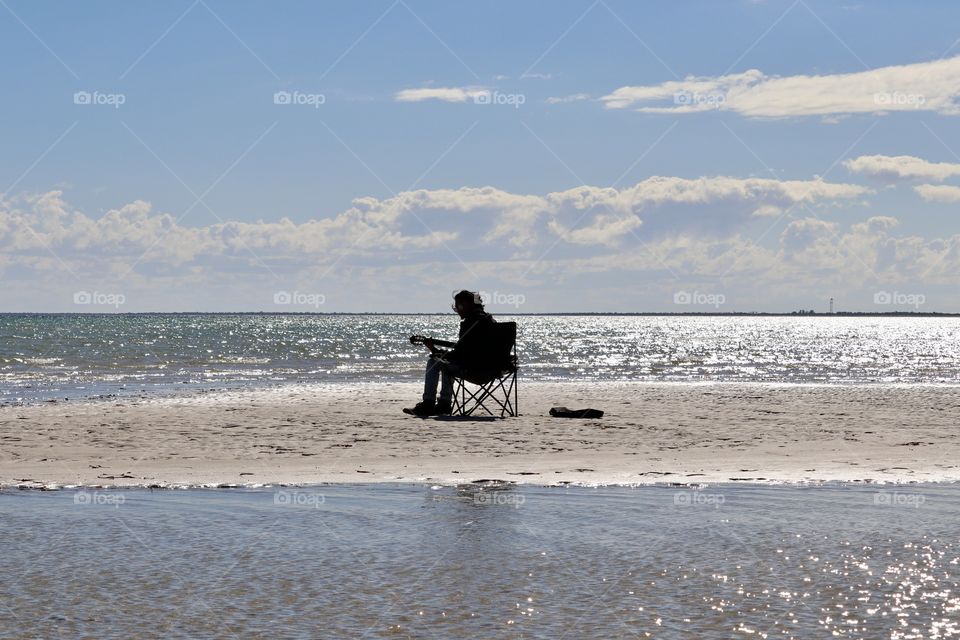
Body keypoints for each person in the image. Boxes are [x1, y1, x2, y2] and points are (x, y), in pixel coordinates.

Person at [404, 290, 497, 416]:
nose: (458, 309)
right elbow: (467, 350)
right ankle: (443, 404)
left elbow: (461, 354)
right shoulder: (491, 321)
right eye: (456, 306)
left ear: (470, 305)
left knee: (436, 361)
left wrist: (435, 351)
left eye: (460, 306)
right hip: (494, 369)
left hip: (474, 369)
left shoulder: (470, 323)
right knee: (448, 362)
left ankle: (433, 403)